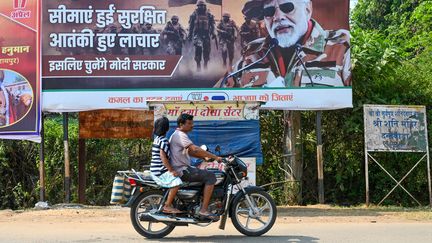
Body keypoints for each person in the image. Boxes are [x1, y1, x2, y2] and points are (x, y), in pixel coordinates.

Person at [218, 0, 351, 88]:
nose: (278, 16)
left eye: (287, 7)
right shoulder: (252, 52)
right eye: (269, 11)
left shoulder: (342, 46)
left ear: (307, 9)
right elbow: (222, 96)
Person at [169, 114, 222, 219]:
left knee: (203, 174)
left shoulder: (178, 135)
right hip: (182, 170)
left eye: (192, 123)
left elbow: (190, 152)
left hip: (181, 168)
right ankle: (203, 210)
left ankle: (198, 203)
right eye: (189, 123)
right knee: (211, 176)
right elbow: (195, 149)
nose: (192, 125)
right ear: (181, 124)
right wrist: (215, 157)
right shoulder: (180, 135)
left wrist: (204, 158)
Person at [150, 117, 182, 214]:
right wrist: (171, 171)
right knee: (177, 182)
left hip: (156, 169)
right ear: (167, 128)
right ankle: (167, 206)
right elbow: (163, 158)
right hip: (160, 171)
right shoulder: (163, 140)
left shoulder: (157, 139)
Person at [188, 0, 216, 71]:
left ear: (205, 6)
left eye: (203, 5)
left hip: (206, 34)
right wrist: (190, 35)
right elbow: (191, 26)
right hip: (198, 34)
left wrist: (214, 33)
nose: (201, 7)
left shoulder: (209, 15)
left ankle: (205, 63)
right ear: (197, 6)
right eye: (200, 5)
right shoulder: (194, 15)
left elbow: (213, 25)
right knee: (198, 48)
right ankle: (198, 64)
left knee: (206, 50)